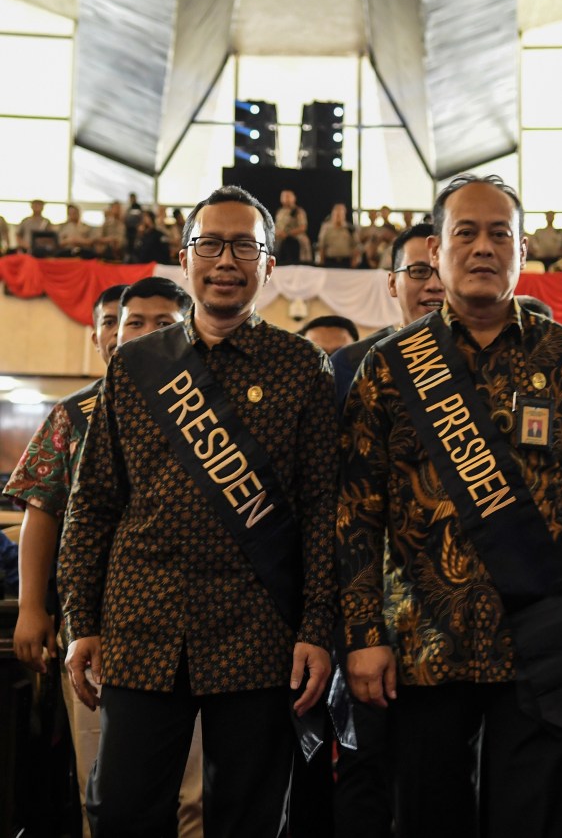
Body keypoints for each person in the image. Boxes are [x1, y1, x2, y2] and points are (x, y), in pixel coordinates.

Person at [336, 174, 562, 838]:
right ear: (437, 253)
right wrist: (362, 635)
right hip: (418, 651)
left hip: (543, 644)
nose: (481, 247)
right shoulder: (389, 367)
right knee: (426, 820)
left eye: (499, 233)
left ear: (522, 250)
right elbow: (357, 512)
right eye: (464, 233)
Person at [58, 184, 339, 838]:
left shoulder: (304, 368)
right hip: (139, 627)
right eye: (210, 243)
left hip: (260, 633)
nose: (226, 259)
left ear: (270, 264)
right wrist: (81, 619)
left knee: (249, 815)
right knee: (122, 808)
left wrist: (316, 626)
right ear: (182, 259)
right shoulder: (135, 365)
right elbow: (93, 502)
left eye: (245, 245)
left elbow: (325, 509)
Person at [5, 279, 197, 838]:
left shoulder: (208, 406)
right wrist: (32, 608)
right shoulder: (76, 411)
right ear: (98, 336)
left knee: (195, 788)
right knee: (106, 782)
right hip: (99, 621)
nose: (132, 334)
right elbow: (42, 510)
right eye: (122, 322)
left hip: (196, 621)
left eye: (160, 324)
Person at [330, 223, 444, 838]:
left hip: (454, 619)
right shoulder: (350, 367)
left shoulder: (489, 367)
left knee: (443, 781)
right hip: (368, 608)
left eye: (438, 269)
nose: (431, 284)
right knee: (364, 767)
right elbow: (335, 502)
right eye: (417, 272)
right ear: (392, 282)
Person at [331, 223, 444, 407]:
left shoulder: (486, 360)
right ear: (392, 283)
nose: (435, 285)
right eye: (419, 271)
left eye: (444, 272)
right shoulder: (351, 363)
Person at [274, 189, 313, 264]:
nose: (285, 198)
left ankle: (305, 262)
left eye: (288, 196)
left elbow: (303, 227)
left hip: (295, 238)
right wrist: (278, 232)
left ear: (293, 198)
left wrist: (287, 234)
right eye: (283, 196)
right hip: (280, 238)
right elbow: (276, 225)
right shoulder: (280, 211)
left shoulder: (298, 211)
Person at [318, 203, 359, 268]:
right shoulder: (326, 229)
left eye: (340, 213)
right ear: (332, 214)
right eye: (336, 213)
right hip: (330, 261)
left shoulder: (350, 228)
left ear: (344, 215)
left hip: (346, 261)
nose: (338, 216)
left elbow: (355, 246)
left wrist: (354, 260)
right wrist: (321, 261)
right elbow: (322, 246)